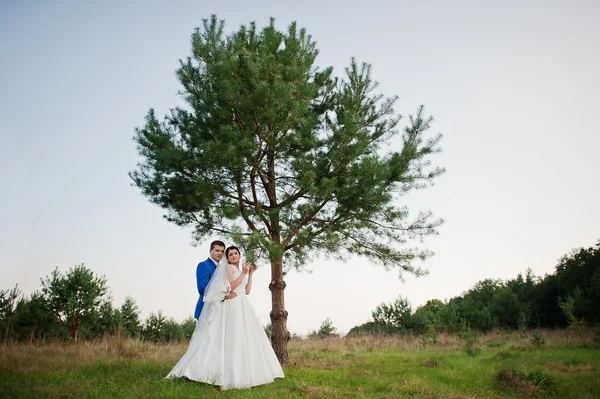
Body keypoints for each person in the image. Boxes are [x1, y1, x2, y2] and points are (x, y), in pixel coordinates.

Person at [167, 245, 284, 390]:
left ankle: (248, 372)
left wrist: (250, 274)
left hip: (243, 306)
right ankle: (209, 372)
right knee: (229, 338)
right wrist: (243, 274)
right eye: (230, 254)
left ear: (240, 255)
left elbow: (246, 291)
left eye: (236, 253)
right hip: (232, 305)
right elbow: (230, 287)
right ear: (227, 258)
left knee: (246, 338)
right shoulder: (228, 268)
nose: (233, 256)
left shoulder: (241, 270)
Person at [194, 240, 236, 318]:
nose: (220, 253)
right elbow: (203, 289)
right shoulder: (204, 265)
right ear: (210, 251)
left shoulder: (223, 268)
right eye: (217, 250)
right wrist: (223, 295)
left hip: (221, 311)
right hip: (206, 310)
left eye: (222, 251)